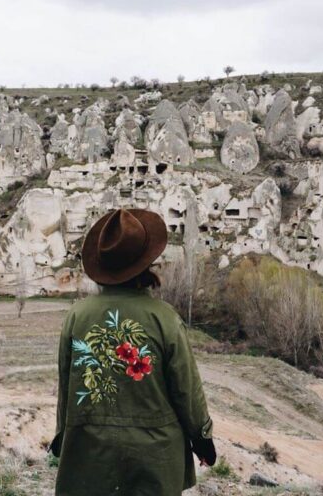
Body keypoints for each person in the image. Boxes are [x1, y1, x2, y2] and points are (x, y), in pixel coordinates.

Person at [51, 208, 215, 495]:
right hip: (154, 460)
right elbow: (186, 390)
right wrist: (201, 438)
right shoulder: (164, 318)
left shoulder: (76, 317)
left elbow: (67, 386)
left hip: (90, 456)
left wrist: (62, 435)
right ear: (146, 263)